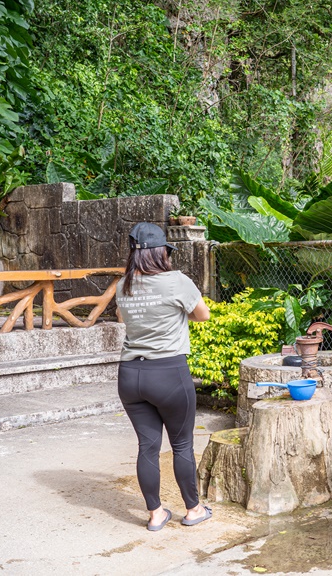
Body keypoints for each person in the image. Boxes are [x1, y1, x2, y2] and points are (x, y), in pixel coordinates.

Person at [115, 222, 213, 531]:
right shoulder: (176, 281)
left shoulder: (123, 285)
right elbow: (203, 314)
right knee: (182, 445)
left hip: (131, 375)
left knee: (147, 447)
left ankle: (156, 514)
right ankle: (194, 509)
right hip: (168, 374)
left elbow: (123, 317)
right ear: (162, 253)